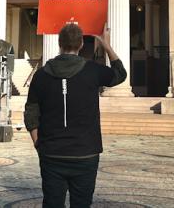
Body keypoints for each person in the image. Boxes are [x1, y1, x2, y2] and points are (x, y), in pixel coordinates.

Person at [24, 23, 127, 208]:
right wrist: (106, 45)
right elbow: (120, 74)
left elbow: (31, 112)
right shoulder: (93, 70)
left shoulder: (40, 75)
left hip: (52, 153)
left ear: (59, 43)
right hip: (85, 153)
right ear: (81, 44)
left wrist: (38, 142)